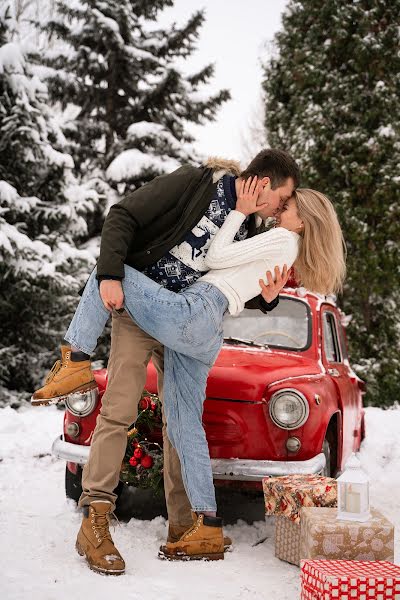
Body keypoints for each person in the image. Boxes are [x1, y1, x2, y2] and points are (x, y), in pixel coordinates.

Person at [34, 178, 345, 567]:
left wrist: (239, 214)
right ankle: (205, 524)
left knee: (109, 269)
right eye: (281, 200)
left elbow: (217, 259)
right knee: (183, 423)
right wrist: (266, 296)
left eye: (288, 206)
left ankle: (74, 359)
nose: (279, 210)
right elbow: (247, 279)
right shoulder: (201, 185)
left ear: (303, 220)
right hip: (203, 328)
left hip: (189, 313)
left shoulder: (276, 235)